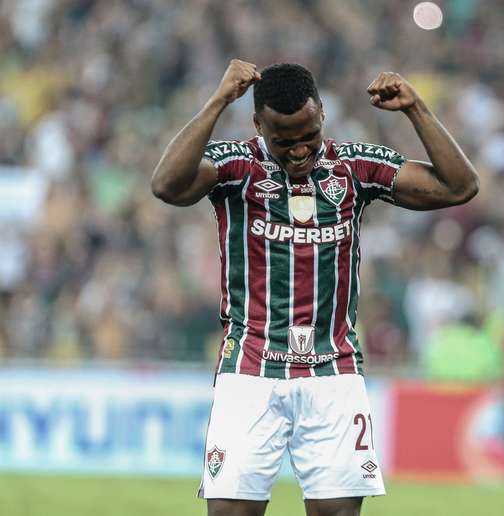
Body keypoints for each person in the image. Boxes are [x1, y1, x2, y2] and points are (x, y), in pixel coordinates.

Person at [151, 60, 478, 516]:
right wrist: (218, 100)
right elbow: (166, 185)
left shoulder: (354, 167)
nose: (300, 150)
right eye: (284, 141)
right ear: (258, 125)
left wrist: (415, 109)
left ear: (322, 113)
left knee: (336, 512)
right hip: (250, 369)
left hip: (333, 370)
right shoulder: (236, 165)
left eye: (309, 135)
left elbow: (460, 187)